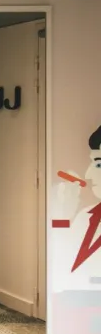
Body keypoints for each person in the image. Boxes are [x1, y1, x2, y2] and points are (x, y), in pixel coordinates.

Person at [52, 125, 101, 292]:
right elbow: (60, 264)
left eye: (98, 164)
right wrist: (64, 213)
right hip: (80, 299)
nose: (87, 175)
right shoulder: (86, 216)